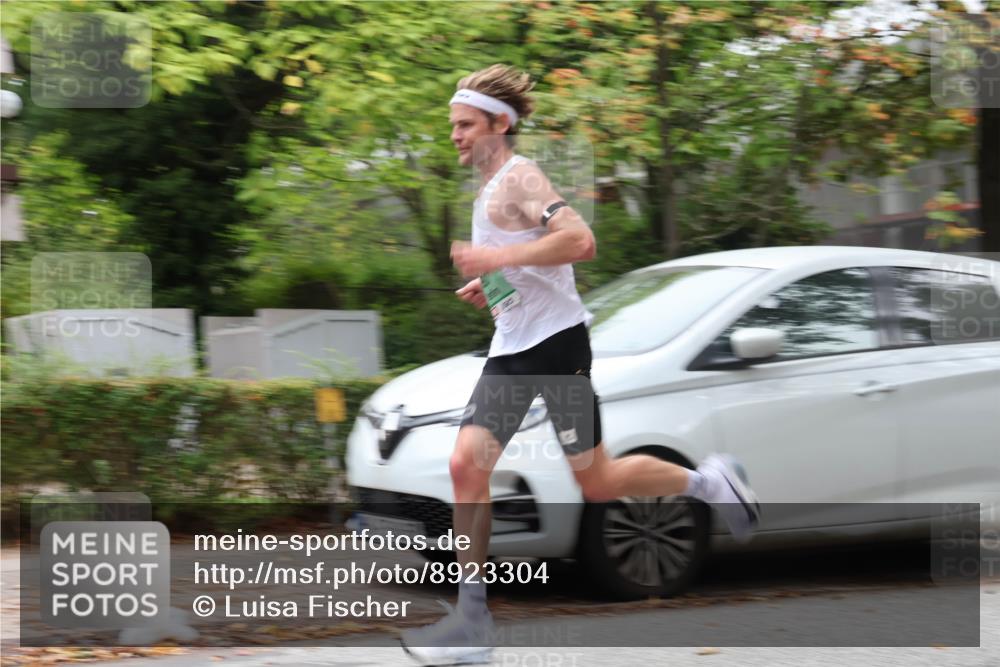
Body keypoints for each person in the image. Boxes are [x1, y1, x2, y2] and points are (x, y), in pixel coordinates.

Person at [400, 64, 760, 666]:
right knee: (468, 464)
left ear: (498, 123)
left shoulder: (521, 178)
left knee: (596, 483)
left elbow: (579, 240)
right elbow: (531, 266)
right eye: (454, 126)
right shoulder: (491, 190)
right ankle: (472, 622)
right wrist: (493, 284)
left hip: (556, 348)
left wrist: (490, 256)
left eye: (465, 125)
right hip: (516, 350)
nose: (456, 135)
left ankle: (708, 481)